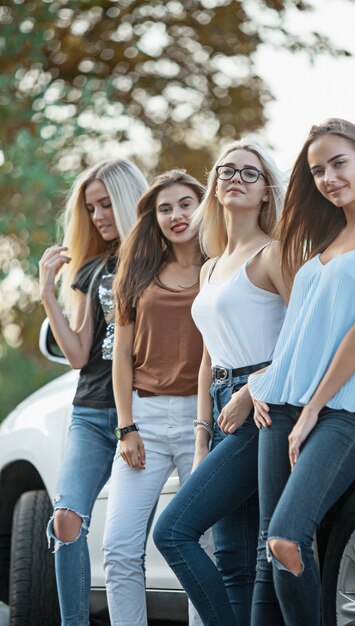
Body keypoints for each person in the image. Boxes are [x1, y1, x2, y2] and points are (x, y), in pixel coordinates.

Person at [248, 118, 355, 625]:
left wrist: (313, 410)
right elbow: (301, 333)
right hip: (278, 405)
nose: (328, 178)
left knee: (286, 537)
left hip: (346, 408)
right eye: (318, 170)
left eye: (338, 163)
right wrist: (261, 385)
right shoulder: (329, 239)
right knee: (267, 553)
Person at [153, 140, 288, 626]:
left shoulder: (274, 255)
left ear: (267, 193)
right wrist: (201, 434)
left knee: (173, 532)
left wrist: (251, 390)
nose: (234, 177)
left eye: (249, 173)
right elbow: (209, 353)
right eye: (226, 170)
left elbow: (305, 334)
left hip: (264, 406)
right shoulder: (211, 265)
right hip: (221, 404)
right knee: (233, 560)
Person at [39, 159, 148, 626]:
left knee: (131, 541)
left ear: (128, 200)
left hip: (144, 412)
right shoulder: (94, 267)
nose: (100, 215)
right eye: (91, 207)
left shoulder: (161, 259)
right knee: (67, 521)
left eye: (106, 204)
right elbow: (80, 352)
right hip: (90, 413)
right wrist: (48, 291)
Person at [101, 169, 209, 626]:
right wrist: (126, 427)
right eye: (165, 208)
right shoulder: (138, 270)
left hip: (202, 419)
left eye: (185, 204)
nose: (176, 215)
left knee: (202, 547)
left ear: (202, 207)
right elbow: (121, 355)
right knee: (119, 546)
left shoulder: (219, 265)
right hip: (143, 418)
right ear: (154, 217)